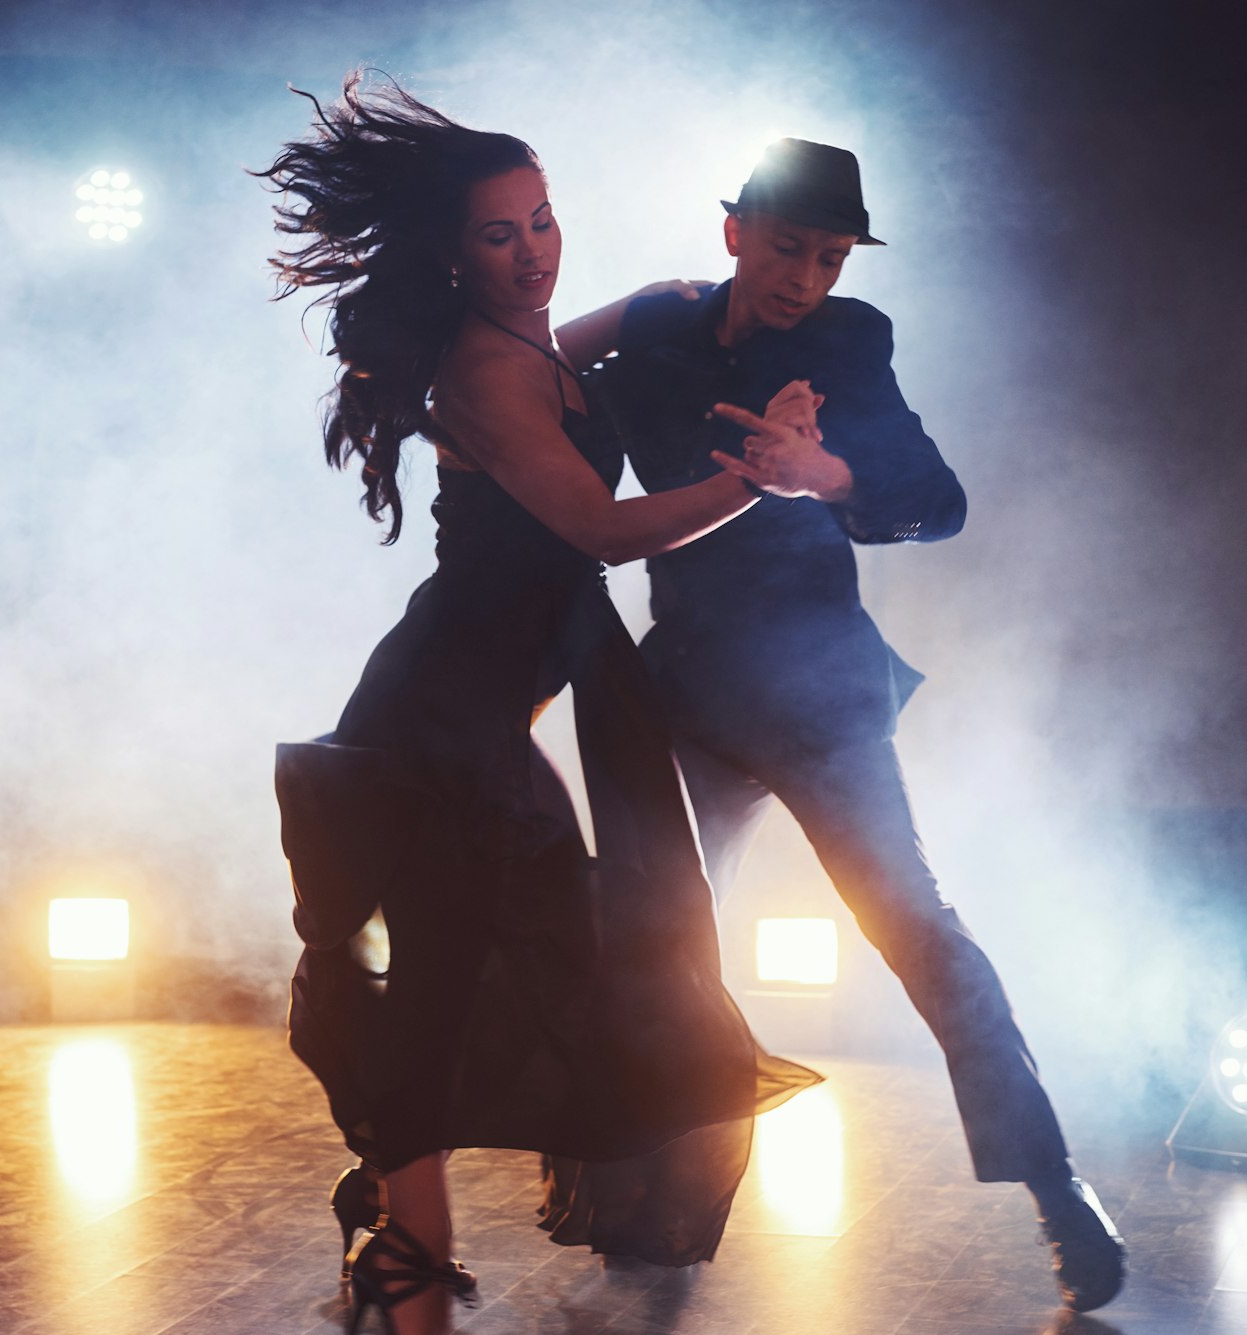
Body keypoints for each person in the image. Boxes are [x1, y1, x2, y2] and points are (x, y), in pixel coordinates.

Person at [259, 80, 828, 1335]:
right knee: (450, 978)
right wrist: (761, 479)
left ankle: (389, 1189)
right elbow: (603, 532)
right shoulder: (482, 373)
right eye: (497, 234)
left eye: (544, 220)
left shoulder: (527, 346)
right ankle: (409, 1262)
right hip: (441, 720)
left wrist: (656, 300)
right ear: (449, 254)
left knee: (557, 964)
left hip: (496, 714)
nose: (531, 254)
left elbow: (578, 348)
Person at [585, 138, 1129, 1313]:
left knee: (917, 929)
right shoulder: (649, 345)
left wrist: (824, 476)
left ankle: (1055, 1183)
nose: (805, 278)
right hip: (681, 691)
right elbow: (541, 437)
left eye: (828, 257)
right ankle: (649, 1205)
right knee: (646, 938)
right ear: (731, 232)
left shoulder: (847, 342)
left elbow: (936, 504)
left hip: (819, 698)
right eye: (788, 249)